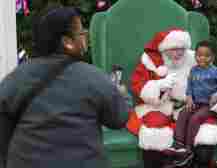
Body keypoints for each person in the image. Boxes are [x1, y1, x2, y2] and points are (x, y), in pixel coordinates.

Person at [0, 7, 128, 168]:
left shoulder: (17, 77)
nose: (85, 36)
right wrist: (122, 95)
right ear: (67, 42)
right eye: (81, 33)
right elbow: (118, 119)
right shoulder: (92, 77)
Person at [127, 28, 217, 168]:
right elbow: (139, 87)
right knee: (154, 135)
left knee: (206, 135)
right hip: (160, 107)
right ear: (164, 49)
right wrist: (160, 86)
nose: (179, 53)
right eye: (174, 49)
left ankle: (190, 155)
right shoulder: (151, 63)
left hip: (196, 106)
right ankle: (178, 150)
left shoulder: (195, 59)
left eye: (182, 49)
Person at [167, 40, 217, 167]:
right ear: (195, 55)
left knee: (194, 119)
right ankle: (178, 145)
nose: (202, 58)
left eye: (206, 55)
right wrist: (189, 97)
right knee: (183, 113)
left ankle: (188, 148)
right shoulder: (194, 70)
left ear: (213, 57)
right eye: (199, 55)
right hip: (196, 103)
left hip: (210, 106)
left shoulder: (216, 71)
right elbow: (190, 87)